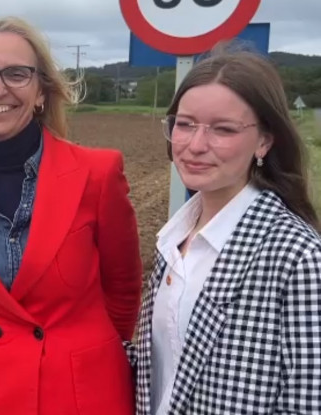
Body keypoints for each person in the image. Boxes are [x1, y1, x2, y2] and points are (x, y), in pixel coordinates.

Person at [0, 16, 142, 415]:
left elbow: (124, 289)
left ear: (42, 91)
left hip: (81, 394)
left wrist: (82, 359)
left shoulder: (97, 173)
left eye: (16, 73)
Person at [132, 46, 321, 414]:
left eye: (223, 129)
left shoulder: (297, 256)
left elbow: (309, 402)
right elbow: (165, 369)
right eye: (184, 124)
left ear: (264, 140)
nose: (196, 145)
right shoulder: (174, 239)